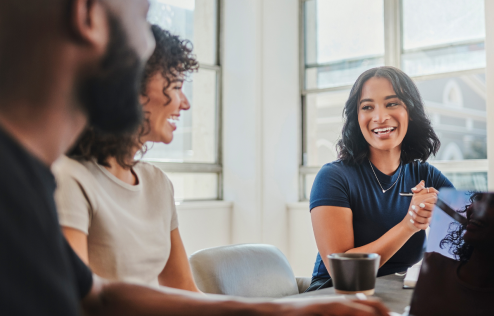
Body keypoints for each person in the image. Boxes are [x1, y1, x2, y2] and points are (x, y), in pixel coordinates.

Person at [0, 0, 388, 315]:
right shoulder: (49, 183)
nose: (146, 46)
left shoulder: (30, 181)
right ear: (88, 15)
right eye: (142, 15)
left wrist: (284, 311)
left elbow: (98, 295)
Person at [53, 24, 199, 291]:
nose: (185, 103)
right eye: (176, 85)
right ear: (135, 87)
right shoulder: (69, 179)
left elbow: (185, 289)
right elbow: (82, 300)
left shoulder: (158, 183)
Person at [307, 66, 454, 292]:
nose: (380, 117)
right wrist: (410, 224)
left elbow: (471, 235)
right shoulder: (333, 177)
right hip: (338, 295)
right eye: (367, 107)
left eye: (392, 103)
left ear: (410, 111)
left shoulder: (425, 175)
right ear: (357, 118)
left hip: (398, 293)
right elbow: (342, 271)